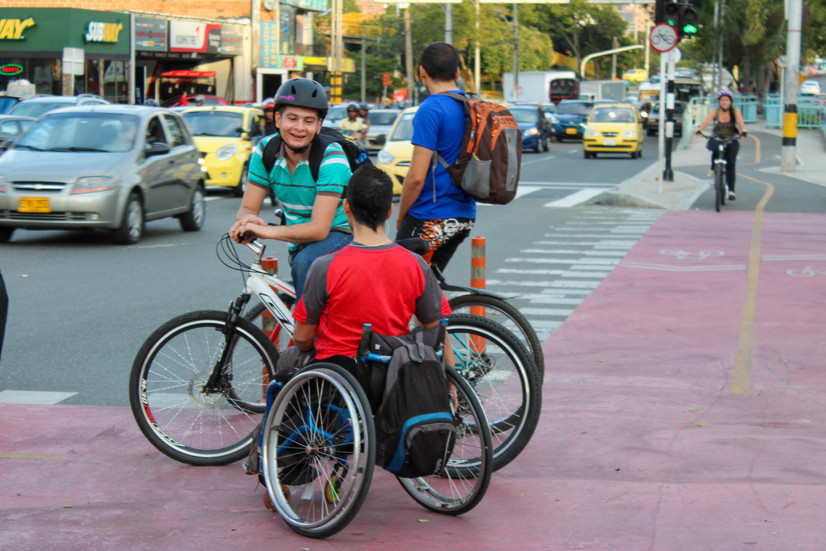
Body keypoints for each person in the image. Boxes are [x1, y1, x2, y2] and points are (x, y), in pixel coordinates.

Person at [242, 165, 452, 476]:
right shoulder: (415, 265)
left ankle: (269, 463)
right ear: (389, 210)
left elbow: (302, 338)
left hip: (339, 378)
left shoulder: (326, 267)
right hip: (394, 379)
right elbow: (437, 328)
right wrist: (447, 378)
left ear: (346, 208)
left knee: (290, 358)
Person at [229, 78, 353, 300]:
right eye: (292, 118)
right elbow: (248, 207)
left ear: (318, 125)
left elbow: (319, 229)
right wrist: (248, 219)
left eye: (308, 121)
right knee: (305, 292)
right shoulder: (265, 152)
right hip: (299, 240)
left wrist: (267, 231)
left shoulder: (331, 158)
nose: (299, 128)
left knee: (306, 266)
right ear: (278, 118)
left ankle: (311, 335)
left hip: (344, 234)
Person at [395, 42, 475, 273]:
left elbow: (416, 178)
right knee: (426, 289)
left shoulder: (431, 108)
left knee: (395, 284)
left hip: (430, 217)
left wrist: (402, 216)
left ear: (421, 72)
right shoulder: (470, 106)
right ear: (457, 73)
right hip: (464, 216)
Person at [696, 89, 747, 200]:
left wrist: (743, 131)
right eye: (722, 100)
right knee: (714, 148)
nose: (724, 102)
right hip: (718, 137)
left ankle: (731, 190)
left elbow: (740, 122)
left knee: (731, 164)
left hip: (731, 139)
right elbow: (706, 121)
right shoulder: (715, 112)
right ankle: (713, 168)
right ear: (719, 101)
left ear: (730, 101)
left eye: (727, 100)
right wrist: (700, 130)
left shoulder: (735, 112)